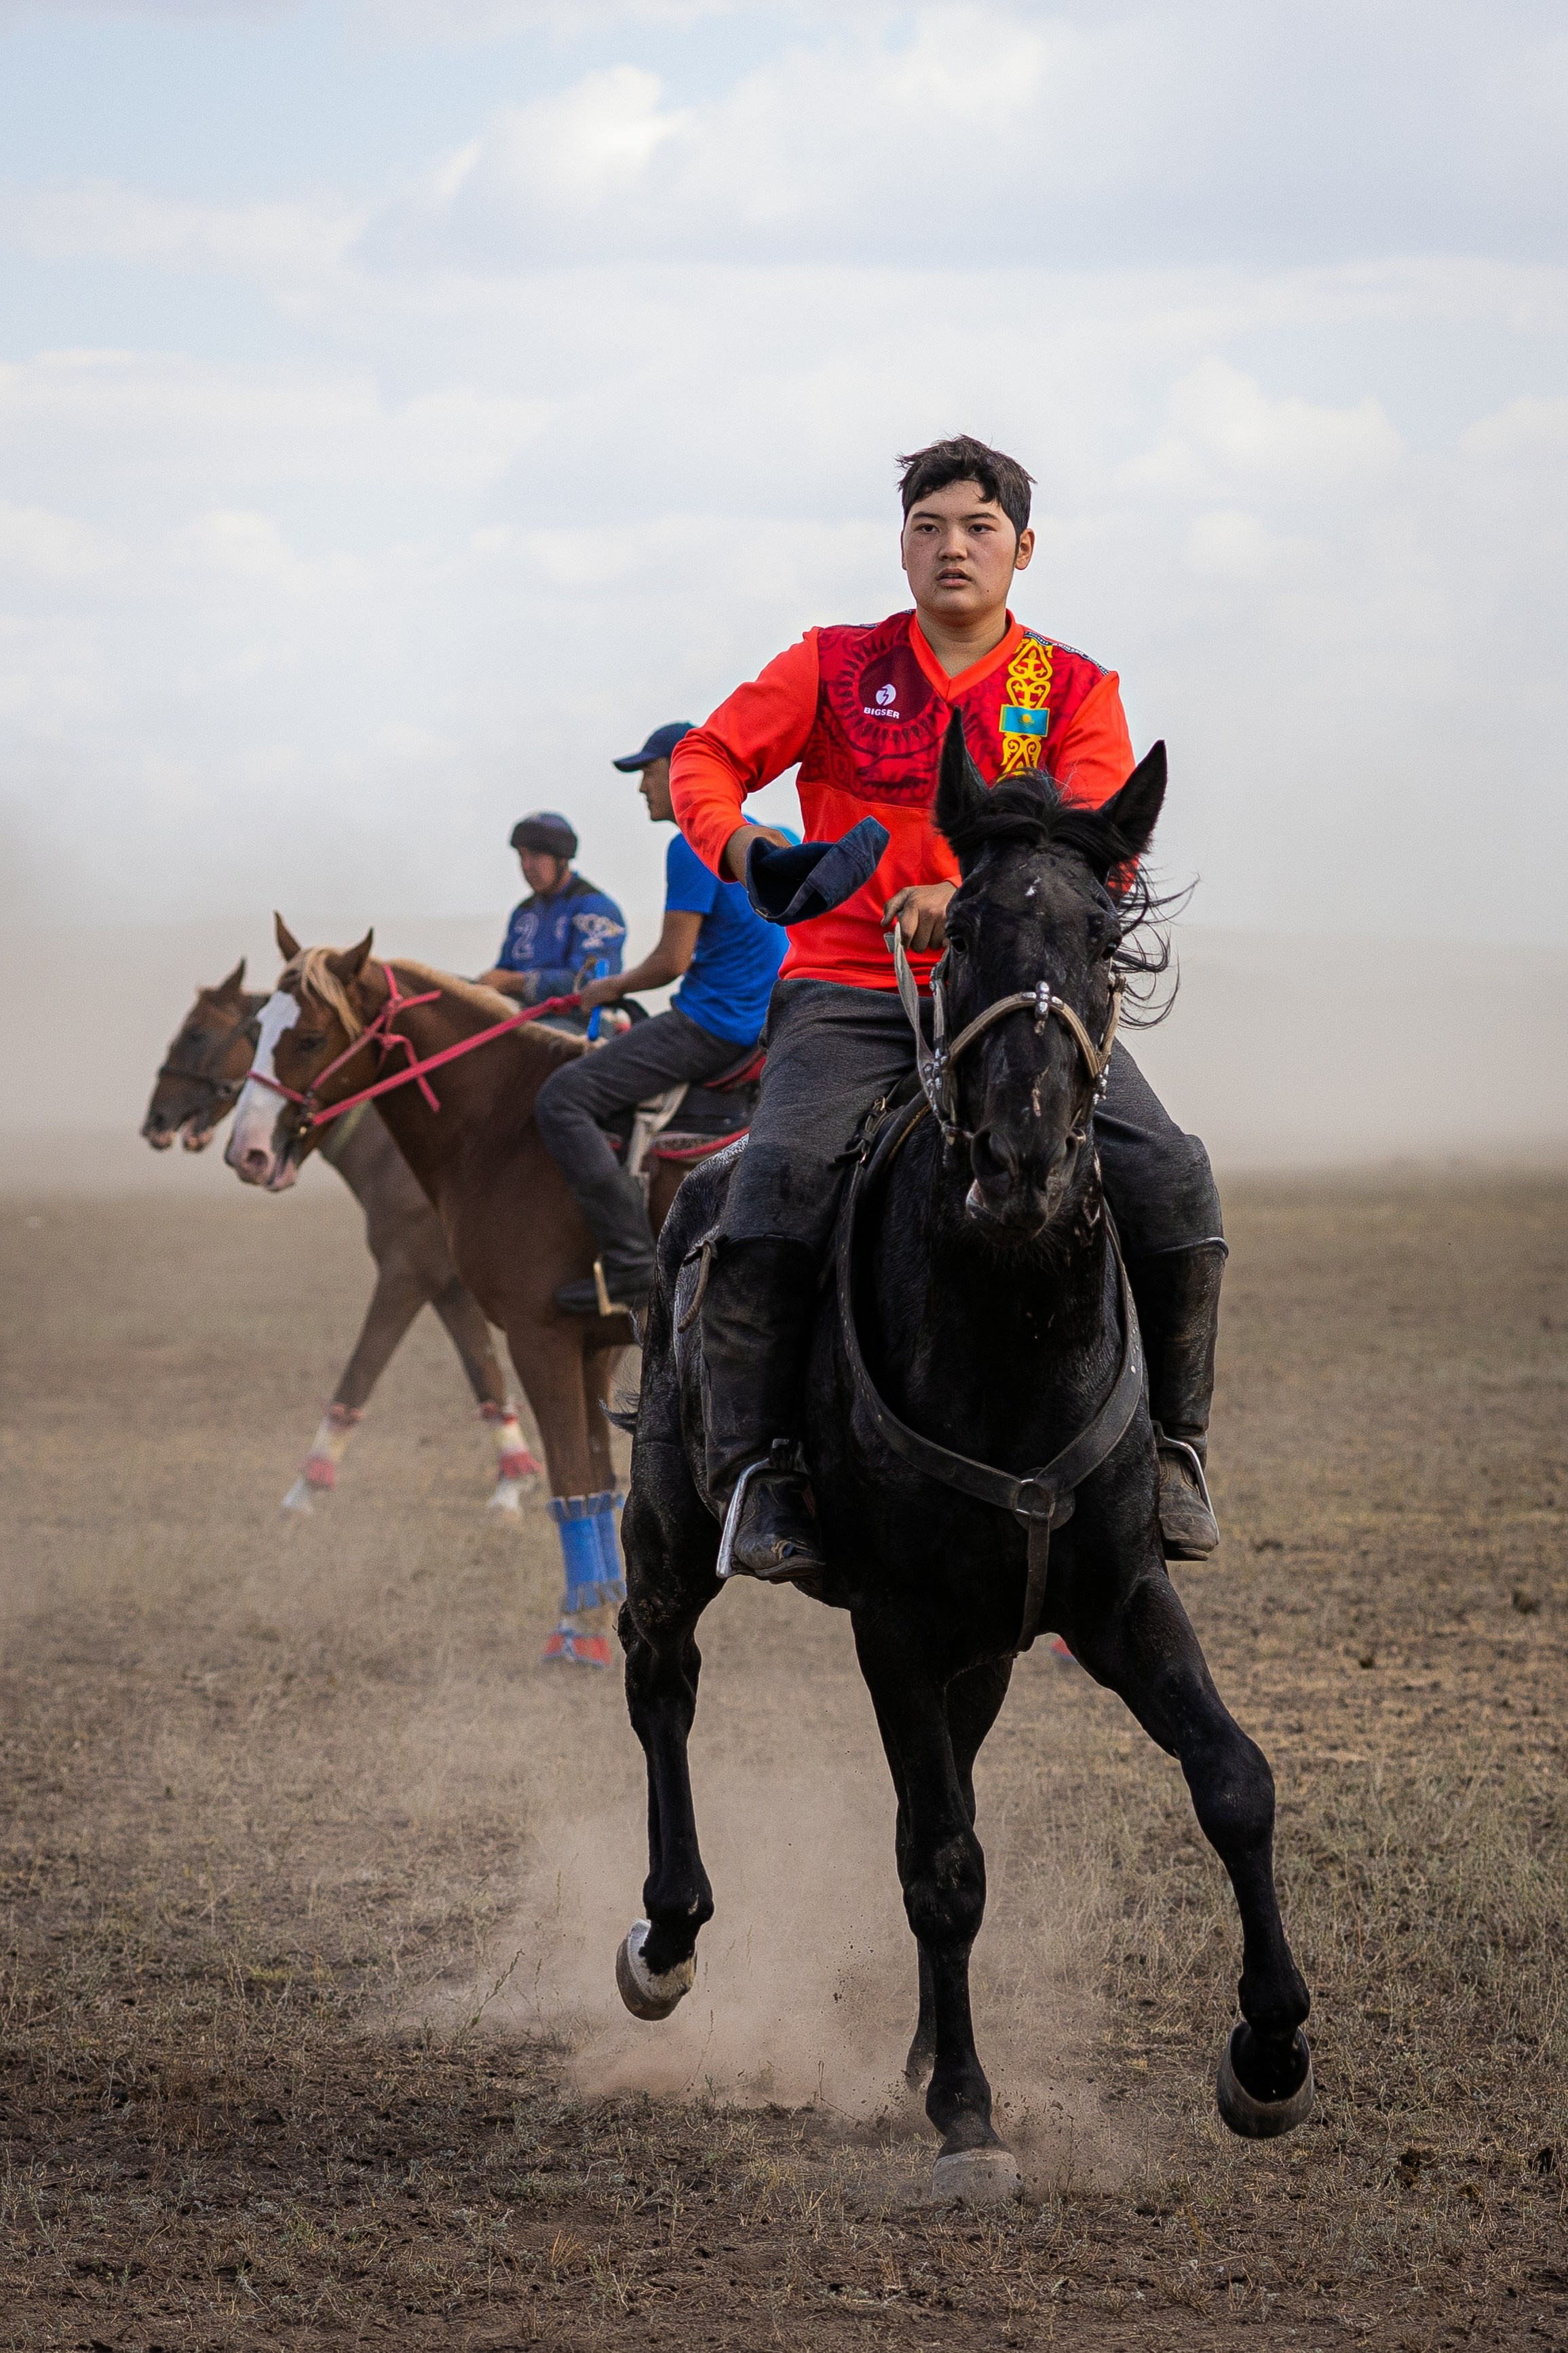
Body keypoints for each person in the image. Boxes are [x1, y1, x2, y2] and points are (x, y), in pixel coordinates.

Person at [669, 433, 1227, 1585]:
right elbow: (708, 759)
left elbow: (1090, 844)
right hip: (848, 988)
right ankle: (757, 1471)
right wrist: (755, 847)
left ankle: (1172, 1451)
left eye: (978, 527)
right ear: (902, 546)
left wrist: (967, 895)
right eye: (928, 527)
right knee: (774, 1180)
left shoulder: (1071, 690)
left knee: (1170, 1171)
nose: (952, 547)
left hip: (1020, 1002)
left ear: (1023, 548)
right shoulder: (832, 665)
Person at [535, 722, 792, 1317]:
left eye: (647, 772)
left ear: (682, 772)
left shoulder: (693, 843)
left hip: (713, 1023)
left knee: (561, 1099)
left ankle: (628, 1264)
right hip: (768, 1024)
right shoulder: (779, 835)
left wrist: (608, 987)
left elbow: (672, 960)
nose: (642, 787)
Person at [477, 811, 626, 1006]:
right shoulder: (523, 912)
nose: (527, 866)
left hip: (579, 1021)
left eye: (536, 856)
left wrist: (517, 982)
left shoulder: (596, 909)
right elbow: (502, 972)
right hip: (524, 1016)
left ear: (562, 858)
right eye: (522, 856)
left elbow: (592, 982)